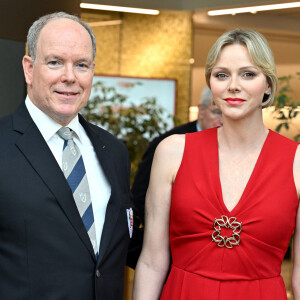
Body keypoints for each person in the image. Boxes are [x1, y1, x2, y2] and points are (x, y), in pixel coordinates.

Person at [133, 29, 300, 300]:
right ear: (211, 84)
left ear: (268, 85)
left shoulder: (297, 162)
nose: (233, 85)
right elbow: (152, 262)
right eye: (222, 74)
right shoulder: (173, 152)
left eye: (248, 74)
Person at [0, 12, 134, 300]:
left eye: (81, 65)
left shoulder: (114, 152)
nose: (70, 77)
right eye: (55, 62)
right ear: (28, 68)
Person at [131, 87, 222, 224]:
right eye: (217, 113)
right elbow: (140, 195)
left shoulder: (236, 146)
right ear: (201, 111)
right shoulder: (168, 144)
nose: (223, 120)